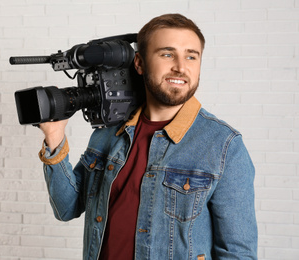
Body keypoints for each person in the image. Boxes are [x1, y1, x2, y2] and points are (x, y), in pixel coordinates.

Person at [38, 13, 258, 260]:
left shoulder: (223, 145)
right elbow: (66, 208)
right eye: (167, 54)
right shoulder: (109, 133)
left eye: (191, 56)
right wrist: (54, 136)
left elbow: (237, 253)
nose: (180, 66)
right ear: (139, 63)